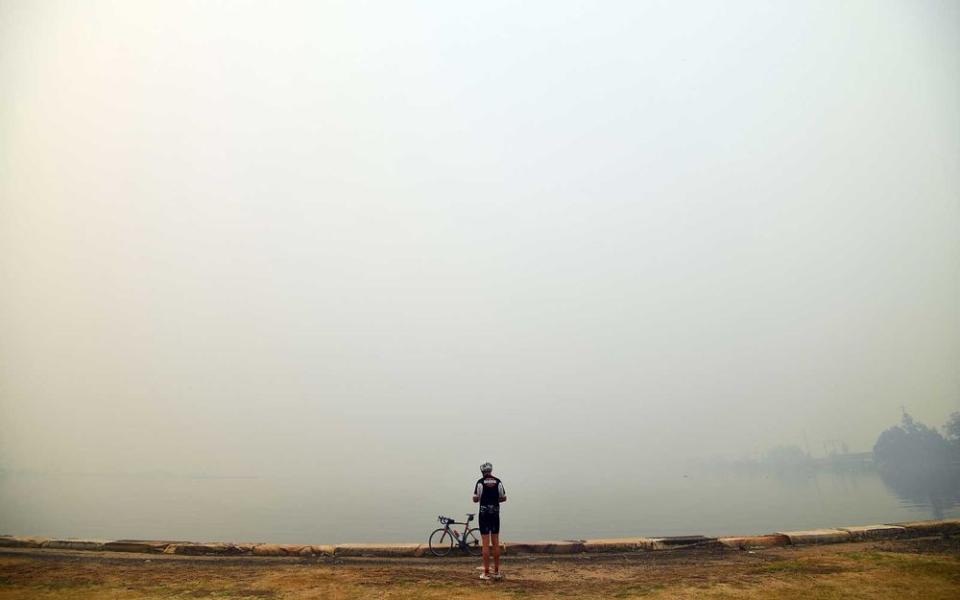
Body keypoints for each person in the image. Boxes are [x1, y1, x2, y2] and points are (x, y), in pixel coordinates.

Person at [472, 462, 506, 580]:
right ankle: (497, 572)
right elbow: (503, 497)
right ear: (491, 471)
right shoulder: (498, 482)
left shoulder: (480, 482)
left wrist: (479, 498)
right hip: (495, 514)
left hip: (484, 514)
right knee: (495, 541)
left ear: (482, 472)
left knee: (485, 543)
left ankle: (486, 573)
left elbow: (476, 499)